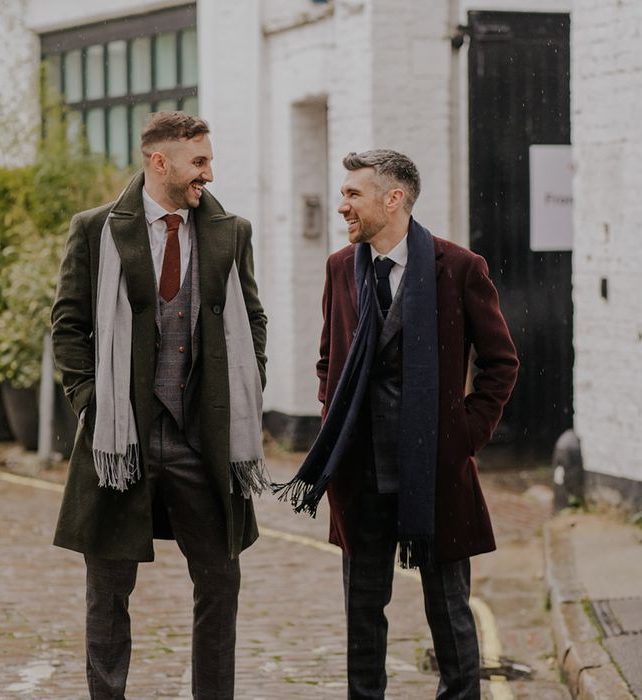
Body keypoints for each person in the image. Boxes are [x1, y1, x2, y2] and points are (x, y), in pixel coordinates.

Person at [276, 149, 518, 699]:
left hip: (433, 471)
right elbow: (327, 360)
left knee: (451, 616)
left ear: (394, 199)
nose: (342, 206)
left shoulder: (458, 268)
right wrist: (334, 422)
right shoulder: (341, 269)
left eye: (353, 194)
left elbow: (501, 363)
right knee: (363, 617)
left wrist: (463, 437)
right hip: (358, 474)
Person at [50, 111, 269, 700]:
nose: (209, 172)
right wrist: (94, 405)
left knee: (221, 583)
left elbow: (252, 318)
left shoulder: (230, 232)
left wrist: (244, 392)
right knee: (109, 589)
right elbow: (69, 328)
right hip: (124, 440)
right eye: (199, 161)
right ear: (159, 162)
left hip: (204, 437)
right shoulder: (96, 230)